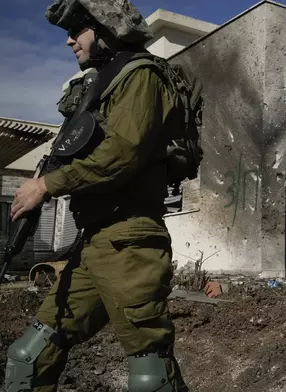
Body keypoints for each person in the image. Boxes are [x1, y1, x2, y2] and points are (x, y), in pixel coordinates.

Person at [5, 1, 188, 391]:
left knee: (148, 375)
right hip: (93, 244)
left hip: (129, 242)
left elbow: (124, 153)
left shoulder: (141, 75)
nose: (70, 40)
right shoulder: (101, 82)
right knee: (28, 357)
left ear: (107, 29)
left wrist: (46, 186)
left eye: (78, 29)